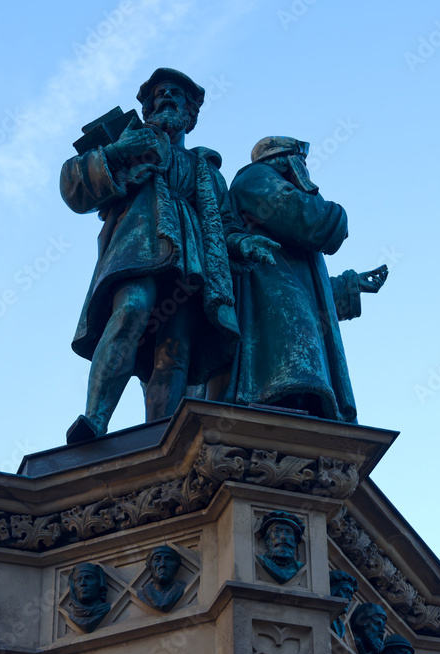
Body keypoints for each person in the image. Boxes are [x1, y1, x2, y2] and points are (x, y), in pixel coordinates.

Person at [60, 68, 278, 443]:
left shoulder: (205, 169)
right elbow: (73, 185)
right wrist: (116, 152)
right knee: (131, 308)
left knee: (175, 348)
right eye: (160, 93)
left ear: (190, 114)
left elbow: (223, 222)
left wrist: (244, 243)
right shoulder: (128, 141)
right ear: (147, 108)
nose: (166, 97)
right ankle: (95, 418)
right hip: (138, 246)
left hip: (191, 261)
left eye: (176, 94)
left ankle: (161, 439)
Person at [208, 136, 387, 422]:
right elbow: (310, 220)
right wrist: (323, 202)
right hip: (270, 313)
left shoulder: (267, 187)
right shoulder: (255, 178)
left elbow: (308, 291)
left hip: (281, 305)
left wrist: (351, 286)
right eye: (302, 163)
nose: (305, 169)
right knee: (289, 386)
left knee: (304, 394)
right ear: (288, 160)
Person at [256, 510, 305, 584]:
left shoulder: (298, 567)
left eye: (289, 532)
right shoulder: (262, 561)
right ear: (267, 539)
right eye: (277, 531)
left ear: (295, 542)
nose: (283, 537)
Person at [138, 545, 186, 612]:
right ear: (149, 567)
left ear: (176, 567)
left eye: (168, 559)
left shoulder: (181, 589)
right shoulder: (142, 593)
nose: (162, 564)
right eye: (157, 560)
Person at [67, 563, 112, 632]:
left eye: (89, 578)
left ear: (100, 583)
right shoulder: (73, 616)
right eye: (78, 580)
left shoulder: (107, 608)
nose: (83, 583)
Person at [329, 570, 358, 638]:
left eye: (351, 595)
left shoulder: (341, 627)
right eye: (345, 591)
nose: (349, 598)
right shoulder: (317, 612)